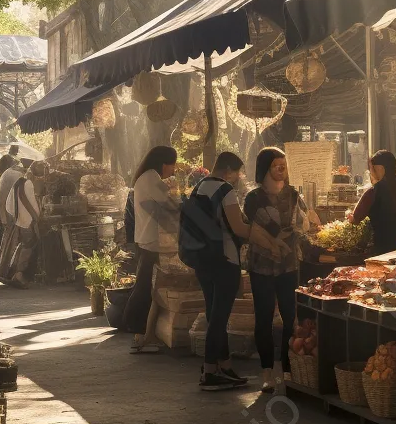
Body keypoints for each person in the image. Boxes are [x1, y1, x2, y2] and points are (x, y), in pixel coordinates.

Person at [244, 147, 320, 394]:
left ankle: (287, 370)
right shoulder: (253, 198)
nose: (282, 170)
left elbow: (302, 224)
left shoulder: (293, 195)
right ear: (265, 168)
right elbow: (255, 229)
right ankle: (267, 372)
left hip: (289, 264)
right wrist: (278, 236)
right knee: (263, 318)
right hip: (261, 265)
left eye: (283, 165)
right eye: (277, 165)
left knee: (291, 317)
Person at [187, 152, 259, 391]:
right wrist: (264, 234)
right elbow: (238, 228)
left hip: (202, 259)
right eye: (237, 172)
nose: (239, 177)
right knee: (220, 317)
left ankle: (224, 366)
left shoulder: (199, 186)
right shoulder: (225, 190)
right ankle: (209, 371)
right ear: (229, 170)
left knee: (214, 313)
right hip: (225, 259)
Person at [123, 146, 180, 352]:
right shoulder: (151, 178)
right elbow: (172, 204)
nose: (173, 170)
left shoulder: (147, 177)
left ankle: (147, 335)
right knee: (146, 287)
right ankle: (138, 333)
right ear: (164, 163)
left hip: (149, 239)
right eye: (173, 165)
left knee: (153, 288)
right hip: (153, 240)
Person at [349, 150, 396, 256]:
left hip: (384, 253)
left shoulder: (374, 192)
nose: (370, 173)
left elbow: (354, 220)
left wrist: (348, 214)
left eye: (371, 169)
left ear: (380, 169)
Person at [0, 161, 42, 286]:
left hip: (21, 220)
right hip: (28, 220)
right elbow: (26, 200)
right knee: (28, 247)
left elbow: (11, 203)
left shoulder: (19, 182)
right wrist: (34, 217)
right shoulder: (27, 183)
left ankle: (15, 273)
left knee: (23, 246)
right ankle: (19, 274)